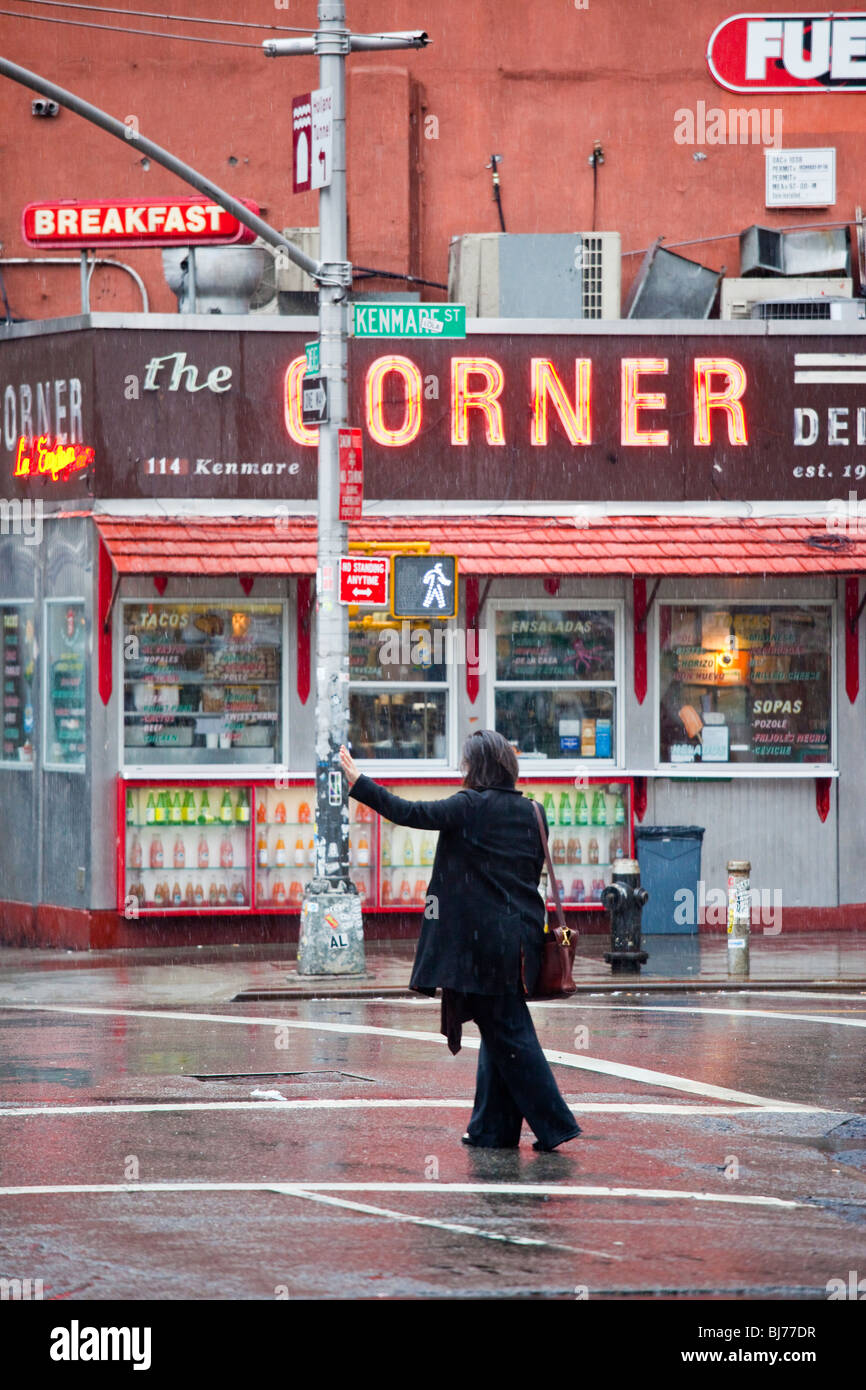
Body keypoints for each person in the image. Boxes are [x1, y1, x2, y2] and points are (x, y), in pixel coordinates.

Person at [339, 730, 581, 1153]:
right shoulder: (534, 811)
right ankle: (492, 1129)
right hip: (522, 942)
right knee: (498, 1032)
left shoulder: (469, 806)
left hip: (481, 947)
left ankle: (555, 1124)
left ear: (478, 767)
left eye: (466, 762)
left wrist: (360, 783)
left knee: (511, 1035)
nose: (462, 769)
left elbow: (409, 812)